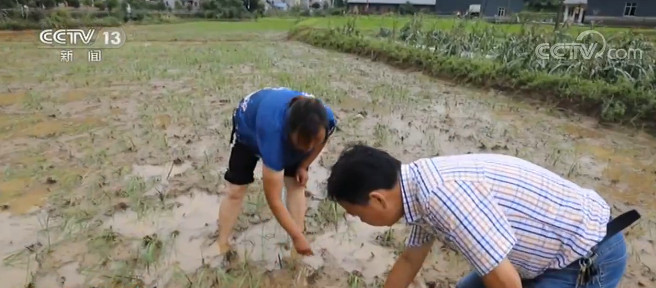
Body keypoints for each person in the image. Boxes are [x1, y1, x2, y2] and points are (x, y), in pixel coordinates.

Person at [326, 144, 640, 288]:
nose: (360, 221)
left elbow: (506, 284)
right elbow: (410, 260)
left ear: (377, 199)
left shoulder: (439, 198)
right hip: (537, 258)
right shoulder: (417, 188)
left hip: (586, 256)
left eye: (357, 214)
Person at [217, 87, 337, 257]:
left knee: (296, 183)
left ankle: (297, 249)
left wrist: (304, 164)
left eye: (313, 142)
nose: (309, 148)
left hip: (290, 131)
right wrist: (296, 236)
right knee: (236, 191)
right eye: (303, 144)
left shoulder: (327, 119)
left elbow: (320, 141)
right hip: (248, 129)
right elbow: (274, 200)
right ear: (289, 132)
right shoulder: (273, 132)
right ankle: (222, 243)